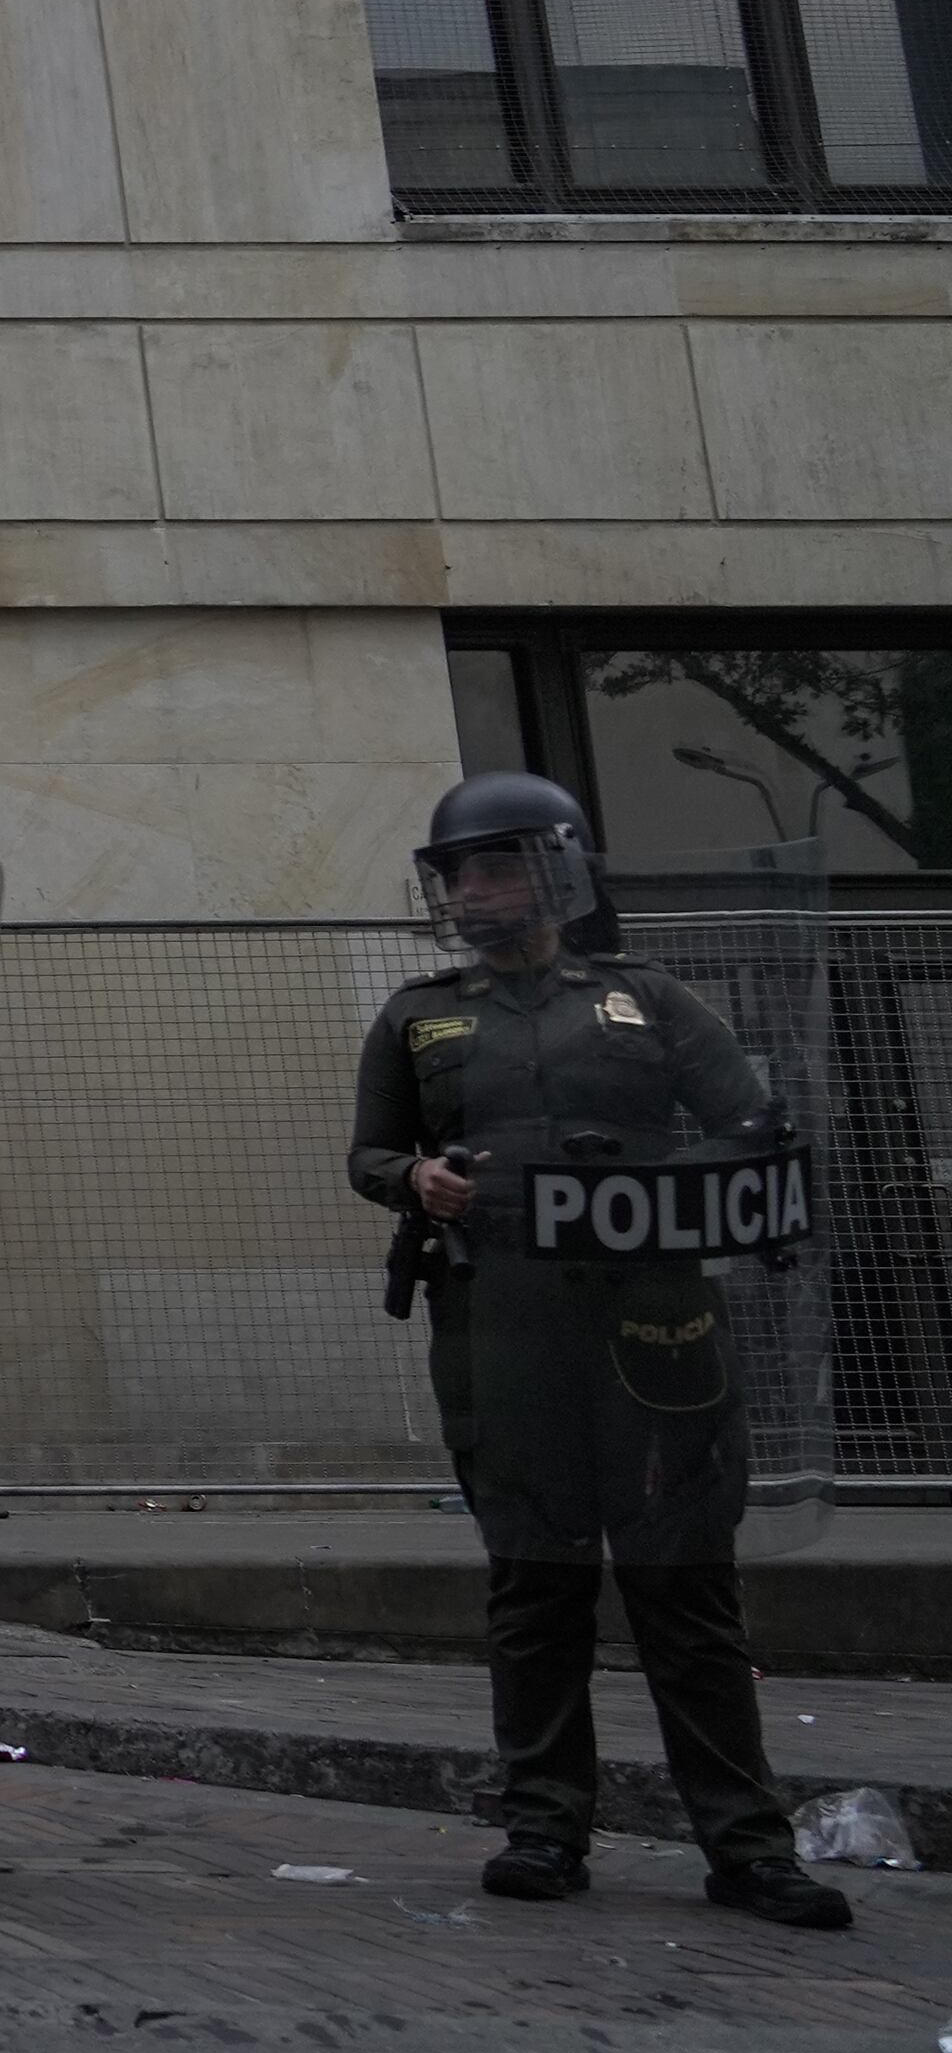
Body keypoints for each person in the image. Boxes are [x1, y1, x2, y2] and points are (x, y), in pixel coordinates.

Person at [346, 772, 849, 1930]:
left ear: (559, 871)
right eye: (456, 874)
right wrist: (409, 1179)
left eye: (495, 868)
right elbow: (367, 1153)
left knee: (684, 1592)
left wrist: (656, 1185)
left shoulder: (653, 1002)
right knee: (533, 1589)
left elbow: (750, 1135)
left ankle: (745, 1845)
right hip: (501, 1333)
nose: (472, 892)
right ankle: (541, 1827)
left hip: (652, 1331)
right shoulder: (416, 1014)